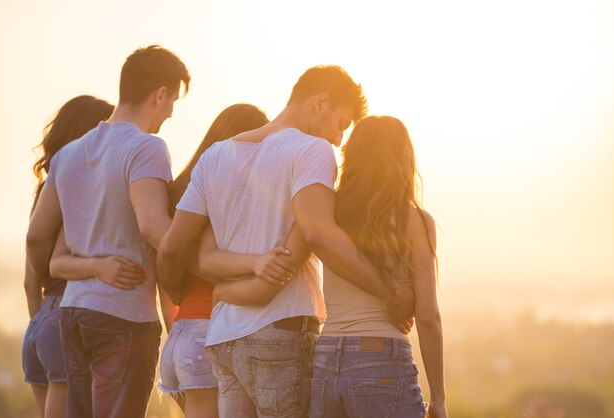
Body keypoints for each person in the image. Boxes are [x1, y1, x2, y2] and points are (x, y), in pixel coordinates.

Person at [158, 65, 415, 418]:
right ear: (320, 102)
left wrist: (185, 294)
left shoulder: (215, 156)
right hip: (280, 329)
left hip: (223, 336)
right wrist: (389, 294)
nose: (338, 140)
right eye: (341, 123)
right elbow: (319, 233)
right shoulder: (310, 151)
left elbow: (172, 247)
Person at [25, 45, 190, 418]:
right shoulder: (146, 148)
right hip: (124, 316)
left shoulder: (69, 153)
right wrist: (202, 262)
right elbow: (152, 226)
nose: (170, 113)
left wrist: (52, 282)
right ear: (159, 94)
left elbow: (36, 235)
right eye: (172, 102)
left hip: (73, 312)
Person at [309, 116, 447, 418]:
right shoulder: (415, 222)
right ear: (403, 160)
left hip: (325, 358)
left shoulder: (330, 210)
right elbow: (427, 318)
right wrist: (439, 399)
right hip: (381, 360)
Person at [159, 104, 269, 418]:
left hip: (182, 335)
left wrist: (179, 334)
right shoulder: (229, 198)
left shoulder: (181, 192)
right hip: (213, 335)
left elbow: (165, 270)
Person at [22, 95, 114, 418]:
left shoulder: (44, 190)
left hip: (40, 321)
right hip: (66, 314)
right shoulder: (77, 188)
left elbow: (29, 281)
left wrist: (41, 322)